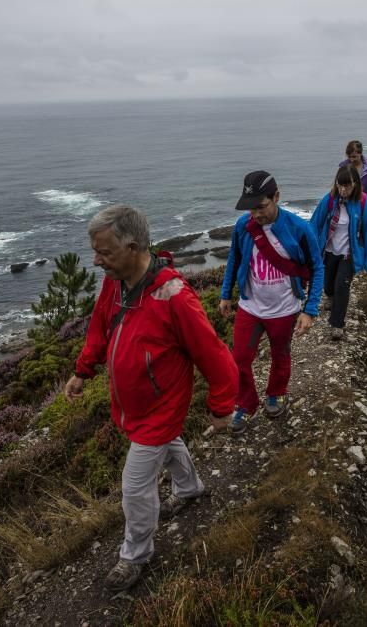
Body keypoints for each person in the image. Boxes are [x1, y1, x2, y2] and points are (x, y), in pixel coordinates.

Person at [64, 205, 238, 593]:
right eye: (94, 251)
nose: (96, 261)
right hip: (137, 409)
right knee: (169, 445)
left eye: (104, 252)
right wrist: (83, 370)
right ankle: (191, 488)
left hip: (161, 409)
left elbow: (213, 353)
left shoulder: (175, 297)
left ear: (133, 246)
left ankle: (135, 555)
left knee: (135, 485)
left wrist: (222, 406)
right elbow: (98, 326)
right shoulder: (116, 282)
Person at [219, 170, 324, 434]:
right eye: (251, 208)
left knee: (281, 355)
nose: (256, 214)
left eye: (261, 206)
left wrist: (309, 311)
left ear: (277, 196)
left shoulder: (299, 228)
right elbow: (234, 259)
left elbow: (317, 267)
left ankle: (275, 394)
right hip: (250, 306)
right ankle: (245, 404)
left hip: (284, 309)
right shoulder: (243, 227)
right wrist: (225, 294)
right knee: (239, 360)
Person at [310, 165, 367, 341]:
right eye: (340, 185)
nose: (343, 189)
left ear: (355, 184)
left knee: (342, 286)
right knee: (329, 285)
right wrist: (309, 249)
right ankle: (330, 298)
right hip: (329, 251)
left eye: (347, 186)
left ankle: (337, 325)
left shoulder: (363, 202)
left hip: (349, 254)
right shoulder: (329, 200)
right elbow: (314, 224)